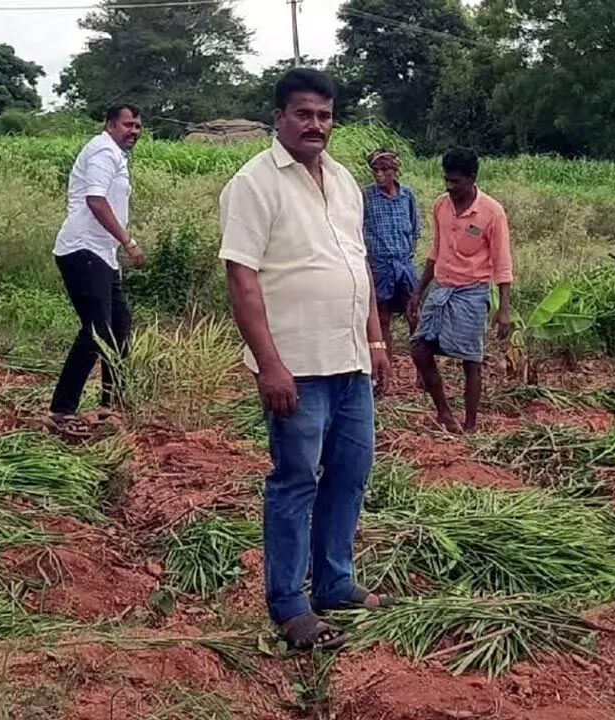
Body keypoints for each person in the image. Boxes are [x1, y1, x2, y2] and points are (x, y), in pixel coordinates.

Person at [218, 68, 391, 652]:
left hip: (350, 362)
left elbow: (356, 264)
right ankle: (290, 603)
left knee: (350, 473)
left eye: (324, 115)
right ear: (279, 118)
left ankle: (335, 582)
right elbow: (242, 278)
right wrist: (269, 364)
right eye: (303, 114)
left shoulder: (343, 181)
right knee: (295, 482)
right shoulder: (254, 184)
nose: (316, 125)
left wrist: (376, 341)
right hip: (297, 367)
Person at [48, 104, 147, 437]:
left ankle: (111, 406)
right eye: (127, 124)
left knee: (118, 326)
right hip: (83, 249)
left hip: (101, 254)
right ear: (109, 125)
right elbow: (96, 199)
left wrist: (116, 250)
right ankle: (61, 411)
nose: (133, 131)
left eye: (137, 126)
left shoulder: (114, 155)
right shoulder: (103, 152)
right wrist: (128, 241)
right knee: (96, 332)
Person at [408, 148, 513, 434]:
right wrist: (419, 291)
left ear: (472, 178)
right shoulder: (441, 205)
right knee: (419, 350)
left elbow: (503, 264)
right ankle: (444, 412)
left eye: (456, 182)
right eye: (446, 180)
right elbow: (435, 250)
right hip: (442, 289)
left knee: (471, 361)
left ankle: (470, 425)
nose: (449, 187)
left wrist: (503, 309)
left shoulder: (492, 213)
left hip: (472, 293)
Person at [362, 148, 421, 359]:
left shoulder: (407, 195)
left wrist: (408, 253)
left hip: (405, 263)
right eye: (375, 170)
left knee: (414, 313)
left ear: (395, 171)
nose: (379, 174)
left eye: (384, 170)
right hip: (380, 265)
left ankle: (421, 370)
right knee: (382, 317)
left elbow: (415, 229)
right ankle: (385, 367)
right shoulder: (366, 196)